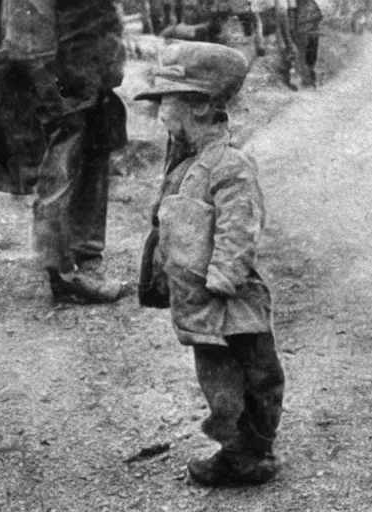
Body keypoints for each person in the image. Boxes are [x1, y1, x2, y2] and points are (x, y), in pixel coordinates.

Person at [133, 42, 283, 487]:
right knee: (220, 384)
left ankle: (250, 456)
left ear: (199, 106)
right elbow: (171, 229)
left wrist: (222, 279)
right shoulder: (187, 164)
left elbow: (240, 228)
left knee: (256, 378)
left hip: (231, 304)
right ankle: (237, 449)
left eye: (167, 105)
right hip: (203, 307)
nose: (160, 115)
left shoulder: (229, 164)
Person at [0, 0, 130, 305]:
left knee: (92, 159)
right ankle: (62, 272)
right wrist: (50, 84)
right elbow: (28, 34)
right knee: (61, 170)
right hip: (62, 78)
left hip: (89, 71)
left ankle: (86, 254)